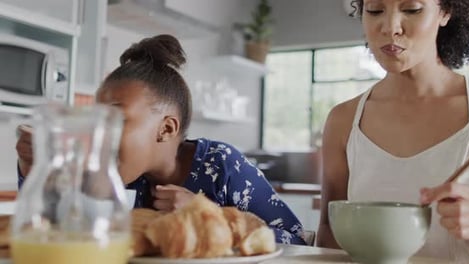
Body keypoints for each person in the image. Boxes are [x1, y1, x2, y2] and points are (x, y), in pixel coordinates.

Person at [16, 34, 306, 245]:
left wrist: (210, 218)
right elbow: (61, 224)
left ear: (166, 129)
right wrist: (32, 167)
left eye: (114, 120)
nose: (100, 132)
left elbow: (297, 240)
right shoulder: (116, 176)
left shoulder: (221, 165)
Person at [317, 0, 469, 262]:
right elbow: (329, 235)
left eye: (412, 9)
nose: (391, 27)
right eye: (375, 11)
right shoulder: (342, 120)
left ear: (445, 12)